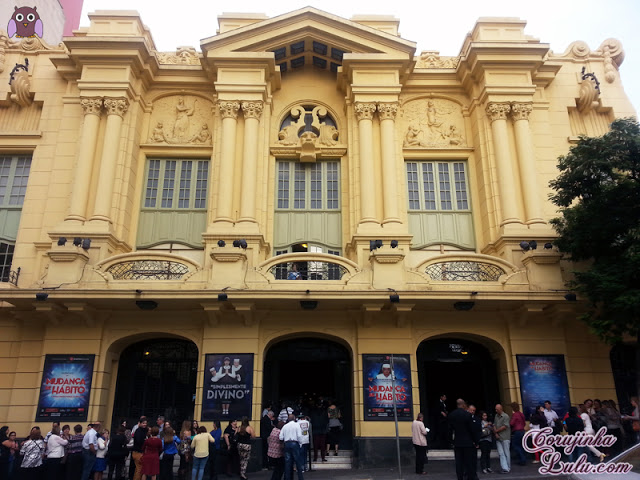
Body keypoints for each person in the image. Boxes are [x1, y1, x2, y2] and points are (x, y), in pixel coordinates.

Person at [448, 399, 479, 480]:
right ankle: (470, 477)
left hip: (457, 442)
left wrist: (451, 441)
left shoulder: (452, 415)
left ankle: (460, 477)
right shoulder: (467, 415)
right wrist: (476, 441)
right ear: (463, 404)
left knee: (459, 463)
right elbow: (472, 430)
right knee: (469, 462)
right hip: (468, 442)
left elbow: (449, 430)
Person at [279, 415, 304, 480]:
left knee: (288, 463)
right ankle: (300, 478)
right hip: (295, 443)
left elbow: (280, 437)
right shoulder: (297, 425)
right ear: (294, 418)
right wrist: (300, 444)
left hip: (287, 443)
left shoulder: (285, 426)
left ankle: (287, 478)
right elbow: (299, 435)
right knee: (298, 462)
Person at [493, 404, 511, 474]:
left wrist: (496, 431)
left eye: (497, 409)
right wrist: (496, 433)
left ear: (501, 409)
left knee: (506, 453)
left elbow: (505, 426)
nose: (496, 410)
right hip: (498, 437)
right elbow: (494, 425)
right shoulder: (496, 416)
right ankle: (504, 467)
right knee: (501, 453)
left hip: (505, 437)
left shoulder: (506, 416)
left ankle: (508, 467)